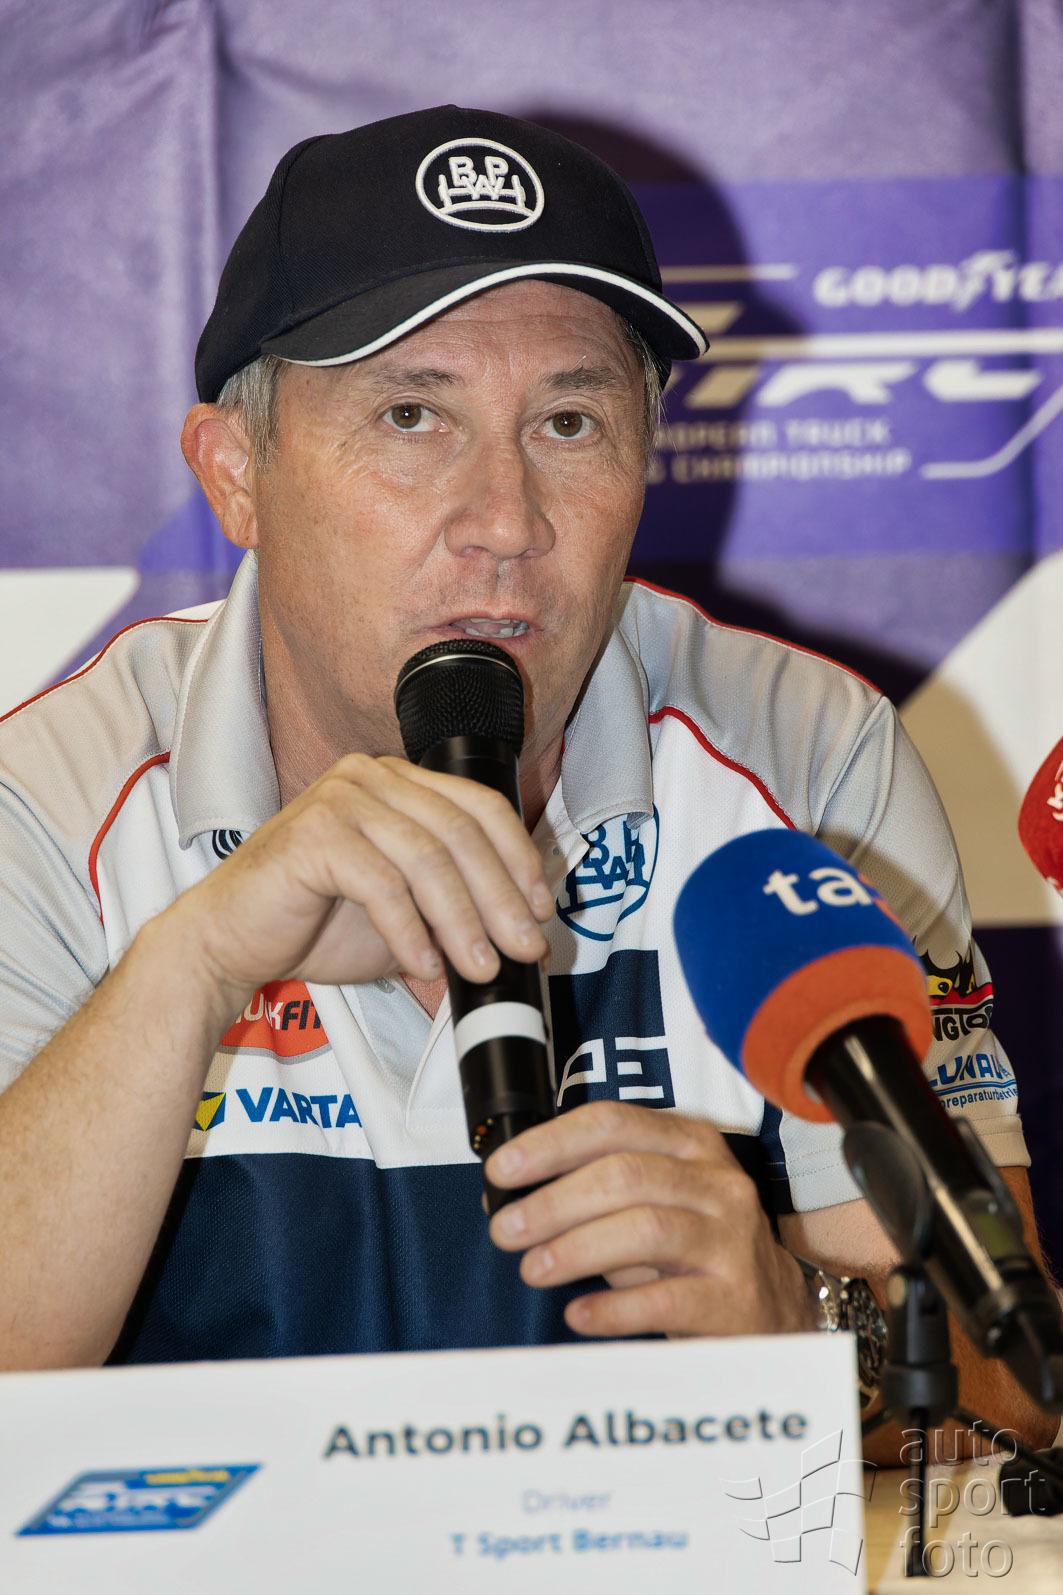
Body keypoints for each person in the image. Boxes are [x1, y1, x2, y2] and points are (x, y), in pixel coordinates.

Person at [0, 105, 1053, 1452]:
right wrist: (189, 968)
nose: (504, 522)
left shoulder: (808, 764)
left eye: (567, 420)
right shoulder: (48, 803)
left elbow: (1017, 1389)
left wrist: (799, 1328)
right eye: (410, 416)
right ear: (236, 472)